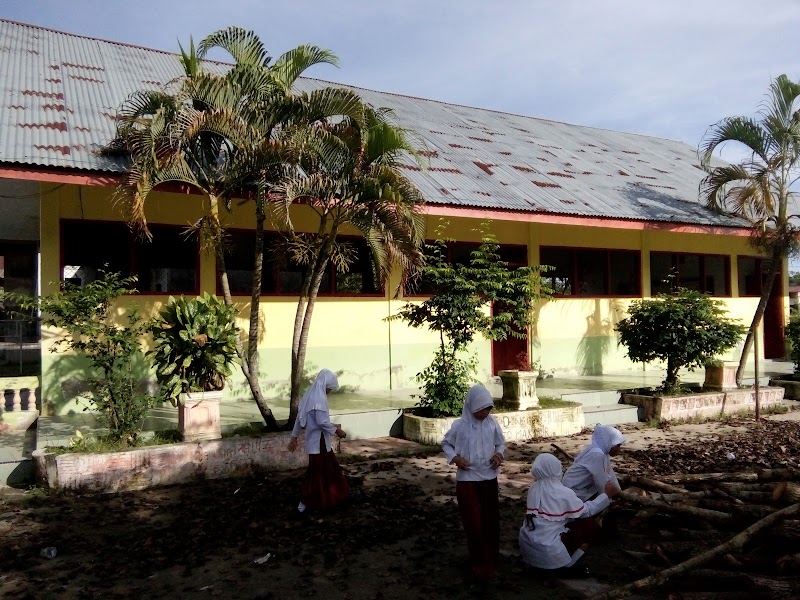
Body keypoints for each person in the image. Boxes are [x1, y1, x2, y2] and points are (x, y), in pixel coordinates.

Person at [441, 384, 506, 584]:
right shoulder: (460, 426)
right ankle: (479, 563)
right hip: (468, 480)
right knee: (474, 522)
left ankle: (491, 557)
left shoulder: (492, 424)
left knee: (490, 520)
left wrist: (499, 454)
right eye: (481, 409)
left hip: (488, 478)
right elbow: (445, 443)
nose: (484, 412)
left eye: (488, 408)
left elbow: (501, 442)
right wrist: (455, 458)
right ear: (470, 407)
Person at [519, 453, 618, 572]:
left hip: (528, 546)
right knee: (588, 527)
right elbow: (585, 511)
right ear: (555, 469)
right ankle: (568, 563)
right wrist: (606, 496)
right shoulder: (563, 492)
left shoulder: (533, 488)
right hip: (550, 551)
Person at [287, 368, 350, 514]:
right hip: (319, 442)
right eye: (329, 389)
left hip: (315, 441)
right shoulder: (319, 399)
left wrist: (294, 437)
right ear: (325, 386)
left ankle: (335, 496)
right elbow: (322, 422)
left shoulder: (308, 396)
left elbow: (299, 418)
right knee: (317, 472)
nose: (330, 392)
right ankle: (305, 502)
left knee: (328, 468)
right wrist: (337, 431)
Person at [562, 424, 625, 501]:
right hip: (574, 490)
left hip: (583, 487)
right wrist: (611, 498)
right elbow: (601, 482)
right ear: (610, 444)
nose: (619, 449)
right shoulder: (596, 455)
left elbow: (610, 475)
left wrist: (619, 491)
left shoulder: (603, 453)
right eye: (617, 446)